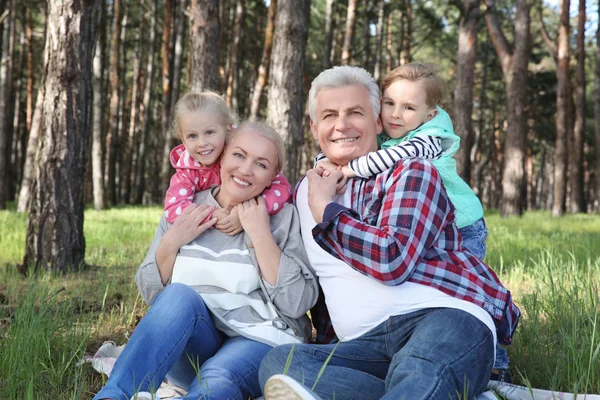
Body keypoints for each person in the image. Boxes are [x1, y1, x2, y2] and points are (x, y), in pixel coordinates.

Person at [258, 66, 520, 400]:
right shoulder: (304, 191)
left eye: (355, 112)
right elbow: (320, 286)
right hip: (365, 347)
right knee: (281, 363)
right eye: (329, 115)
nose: (341, 125)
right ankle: (444, 393)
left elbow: (391, 260)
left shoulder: (411, 171)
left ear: (378, 121)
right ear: (314, 127)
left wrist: (326, 210)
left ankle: (430, 386)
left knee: (422, 365)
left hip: (440, 318)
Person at [94, 121, 319, 400]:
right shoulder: (185, 208)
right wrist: (172, 241)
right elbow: (154, 296)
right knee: (177, 295)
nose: (246, 169)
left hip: (257, 340)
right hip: (195, 344)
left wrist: (259, 234)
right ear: (222, 156)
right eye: (239, 155)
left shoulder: (283, 218)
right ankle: (112, 396)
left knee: (217, 376)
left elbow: (298, 302)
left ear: (274, 175)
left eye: (261, 164)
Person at [315, 62, 511, 377]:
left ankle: (495, 367)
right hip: (428, 227)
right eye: (389, 103)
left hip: (463, 228)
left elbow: (387, 158)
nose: (394, 114)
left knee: (467, 293)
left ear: (429, 114)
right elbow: (352, 146)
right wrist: (326, 159)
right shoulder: (397, 131)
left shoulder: (429, 139)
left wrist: (346, 170)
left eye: (408, 107)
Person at [164, 91, 292, 235]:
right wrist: (210, 216)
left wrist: (249, 212)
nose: (202, 143)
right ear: (183, 139)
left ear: (227, 129)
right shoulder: (186, 172)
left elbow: (282, 188)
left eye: (209, 132)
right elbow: (173, 208)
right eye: (192, 136)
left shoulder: (241, 148)